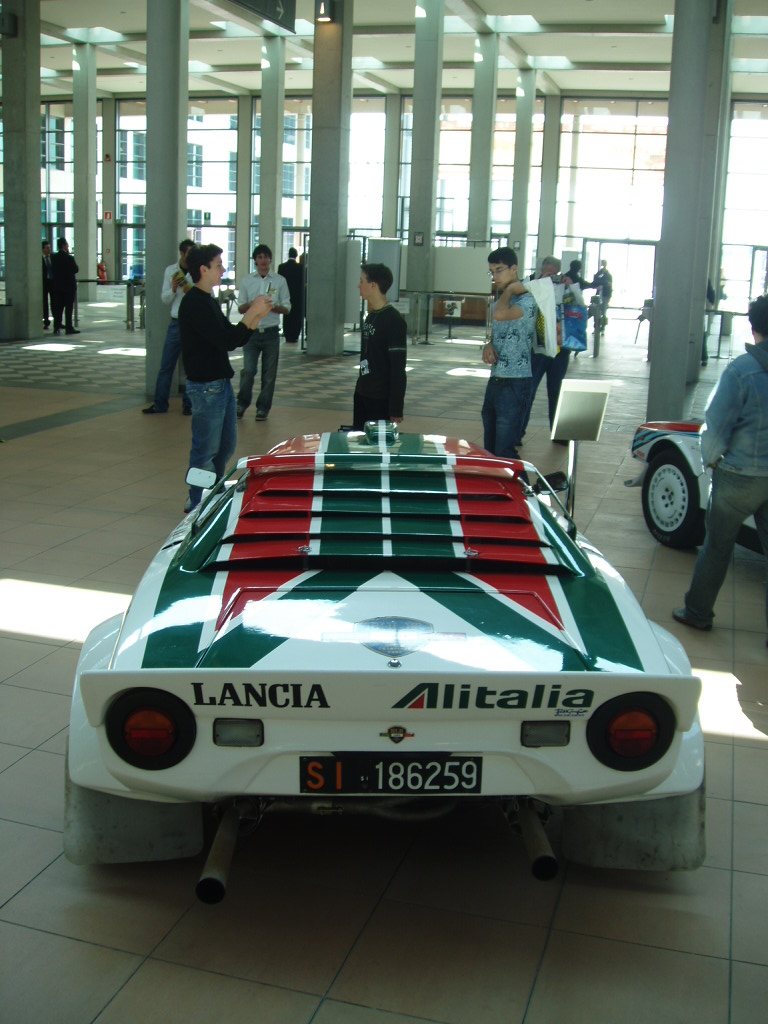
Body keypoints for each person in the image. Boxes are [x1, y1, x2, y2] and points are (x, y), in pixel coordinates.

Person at [673, 294, 768, 638]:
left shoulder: (741, 370)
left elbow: (716, 424)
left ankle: (697, 612)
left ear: (753, 326)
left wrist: (711, 460)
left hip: (739, 477)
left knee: (717, 547)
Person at [179, 244, 273, 514]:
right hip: (206, 388)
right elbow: (225, 340)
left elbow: (231, 337)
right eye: (218, 265)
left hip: (219, 384)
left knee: (225, 446)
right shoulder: (195, 303)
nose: (223, 269)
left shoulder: (207, 299)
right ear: (203, 269)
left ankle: (211, 491)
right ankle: (198, 502)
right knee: (205, 450)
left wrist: (255, 317)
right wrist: (251, 313)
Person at [481, 247, 537, 459]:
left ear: (514, 269)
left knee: (505, 451)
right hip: (496, 379)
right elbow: (497, 331)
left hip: (516, 382)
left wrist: (511, 291)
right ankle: (495, 492)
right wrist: (489, 344)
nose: (495, 277)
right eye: (491, 272)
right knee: (490, 450)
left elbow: (501, 315)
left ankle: (525, 491)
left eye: (499, 270)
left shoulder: (528, 301)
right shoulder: (502, 301)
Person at [520, 256, 580, 445]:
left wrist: (572, 287)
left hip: (561, 349)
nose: (552, 277)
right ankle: (518, 432)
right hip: (537, 347)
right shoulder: (529, 283)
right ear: (542, 270)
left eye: (555, 274)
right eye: (549, 273)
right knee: (528, 390)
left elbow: (579, 306)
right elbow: (520, 302)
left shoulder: (565, 287)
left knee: (556, 390)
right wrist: (539, 282)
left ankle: (559, 433)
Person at [235, 244, 291, 421]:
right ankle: (241, 403)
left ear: (270, 259)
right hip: (250, 332)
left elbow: (287, 308)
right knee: (249, 370)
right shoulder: (247, 281)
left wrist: (272, 307)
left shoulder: (280, 281)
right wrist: (255, 305)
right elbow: (241, 307)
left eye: (266, 257)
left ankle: (263, 408)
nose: (263, 260)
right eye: (259, 257)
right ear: (255, 261)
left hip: (271, 333)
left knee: (269, 373)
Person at [143, 240, 196, 416]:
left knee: (191, 367)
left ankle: (188, 405)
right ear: (181, 254)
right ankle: (160, 404)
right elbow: (165, 299)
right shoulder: (171, 271)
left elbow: (204, 295)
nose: (191, 257)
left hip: (192, 325)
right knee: (166, 366)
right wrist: (173, 289)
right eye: (189, 254)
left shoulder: (199, 270)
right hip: (176, 322)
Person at [353, 262, 408, 430]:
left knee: (378, 449)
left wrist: (396, 408)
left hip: (381, 398)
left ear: (373, 285)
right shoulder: (371, 317)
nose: (359, 286)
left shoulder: (394, 320)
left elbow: (398, 368)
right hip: (363, 393)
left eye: (362, 281)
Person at [50, 237, 80, 335]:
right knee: (68, 307)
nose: (68, 246)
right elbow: (75, 269)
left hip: (58, 286)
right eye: (67, 244)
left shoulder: (53, 257)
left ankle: (57, 327)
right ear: (64, 245)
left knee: (58, 308)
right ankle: (69, 327)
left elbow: (52, 270)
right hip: (69, 287)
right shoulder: (69, 258)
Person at [277, 247, 304, 344]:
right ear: (296, 255)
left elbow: (278, 282)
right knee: (297, 315)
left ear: (288, 255)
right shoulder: (300, 267)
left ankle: (288, 334)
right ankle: (295, 335)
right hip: (297, 296)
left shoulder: (281, 267)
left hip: (286, 294)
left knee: (287, 315)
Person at [590, 260, 613, 328]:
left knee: (603, 312)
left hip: (605, 295)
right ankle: (597, 327)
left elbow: (609, 285)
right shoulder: (599, 274)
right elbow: (595, 281)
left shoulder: (608, 275)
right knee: (597, 312)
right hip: (600, 295)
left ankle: (602, 327)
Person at [41, 241, 54, 330]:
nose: (49, 249)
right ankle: (46, 321)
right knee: (45, 303)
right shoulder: (39, 260)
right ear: (42, 249)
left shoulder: (53, 258)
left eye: (49, 247)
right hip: (44, 284)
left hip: (53, 283)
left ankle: (57, 321)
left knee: (55, 302)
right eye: (47, 248)